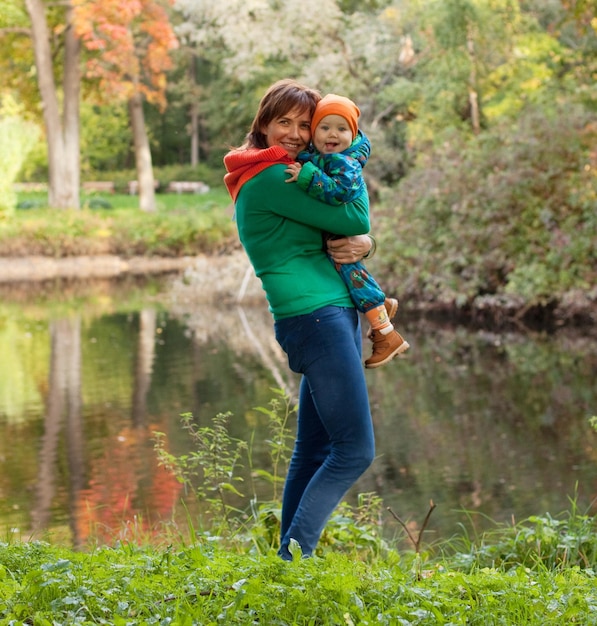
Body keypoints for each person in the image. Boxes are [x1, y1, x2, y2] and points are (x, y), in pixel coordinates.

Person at [223, 79, 376, 560]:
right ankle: (295, 557)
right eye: (282, 122)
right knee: (354, 450)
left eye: (303, 124)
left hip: (327, 315)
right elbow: (353, 217)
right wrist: (365, 239)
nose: (293, 133)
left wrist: (361, 242)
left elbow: (340, 223)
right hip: (317, 318)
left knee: (311, 450)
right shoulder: (272, 179)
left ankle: (284, 564)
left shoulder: (292, 171)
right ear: (263, 125)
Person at [285, 93, 409, 368]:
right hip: (334, 240)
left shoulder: (344, 162)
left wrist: (305, 175)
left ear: (352, 135)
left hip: (340, 234)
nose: (333, 134)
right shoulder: (325, 157)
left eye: (342, 129)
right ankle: (382, 306)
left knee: (353, 274)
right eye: (324, 127)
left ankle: (387, 334)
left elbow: (340, 192)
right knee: (353, 273)